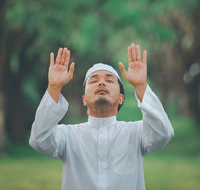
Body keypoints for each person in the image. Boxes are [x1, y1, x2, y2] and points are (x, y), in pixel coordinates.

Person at [29, 44, 174, 190]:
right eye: (93, 80)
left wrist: (141, 86)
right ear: (84, 99)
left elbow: (162, 133)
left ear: (121, 98)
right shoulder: (68, 136)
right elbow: (39, 140)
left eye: (110, 80)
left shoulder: (135, 133)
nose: (102, 82)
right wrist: (54, 87)